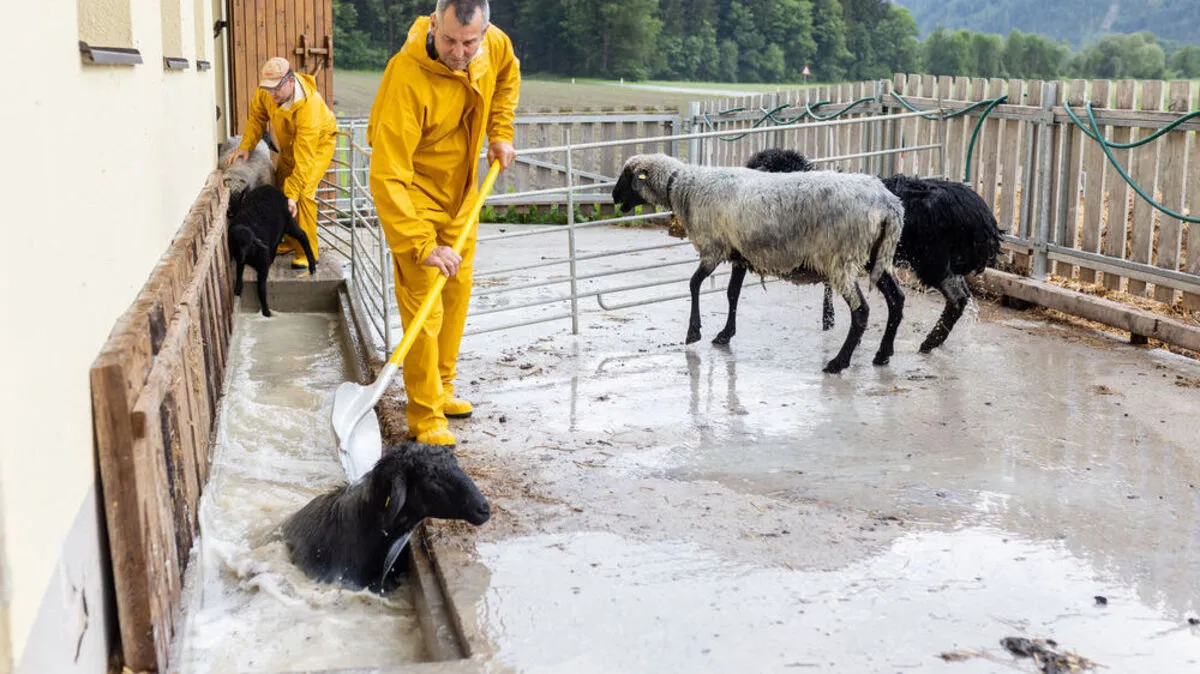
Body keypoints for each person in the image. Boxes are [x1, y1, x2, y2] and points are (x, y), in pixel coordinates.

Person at [368, 0, 520, 446]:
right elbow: (387, 175)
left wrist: (500, 131)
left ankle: (445, 386)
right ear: (433, 24)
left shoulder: (494, 45)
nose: (459, 51)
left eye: (469, 42)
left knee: (455, 296)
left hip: (461, 197)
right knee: (425, 311)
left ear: (484, 31)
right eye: (450, 40)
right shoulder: (406, 77)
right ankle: (426, 415)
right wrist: (419, 244)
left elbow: (508, 79)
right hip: (414, 200)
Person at [227, 57, 338, 270]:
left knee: (302, 193)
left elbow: (304, 160)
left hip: (317, 146)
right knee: (281, 186)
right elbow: (257, 118)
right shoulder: (267, 92)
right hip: (290, 144)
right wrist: (245, 146)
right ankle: (289, 240)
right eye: (267, 88)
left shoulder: (309, 106)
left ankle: (309, 253)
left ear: (290, 81)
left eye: (276, 88)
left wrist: (293, 194)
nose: (271, 94)